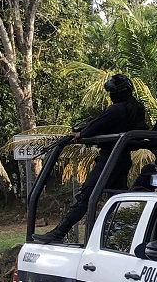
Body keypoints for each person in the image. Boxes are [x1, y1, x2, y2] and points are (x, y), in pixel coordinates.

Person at [32, 74, 147, 243]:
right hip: (122, 158)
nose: (110, 96)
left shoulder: (116, 110)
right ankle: (119, 239)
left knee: (86, 196)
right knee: (117, 200)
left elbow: (96, 126)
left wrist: (82, 133)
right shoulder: (137, 108)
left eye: (112, 92)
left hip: (110, 158)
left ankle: (59, 233)